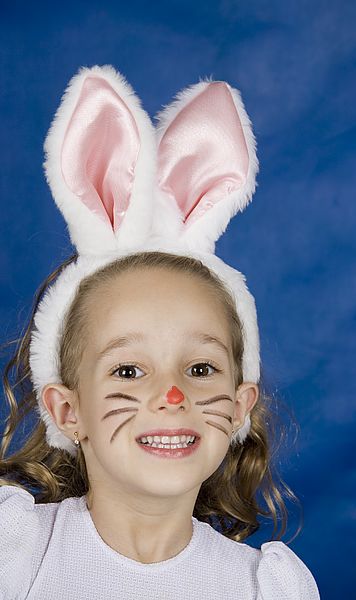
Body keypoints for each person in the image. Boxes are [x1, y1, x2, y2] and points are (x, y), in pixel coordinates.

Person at [0, 65, 320, 599]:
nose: (172, 396)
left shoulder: (266, 588)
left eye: (200, 369)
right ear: (66, 410)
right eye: (128, 369)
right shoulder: (15, 549)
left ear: (241, 406)